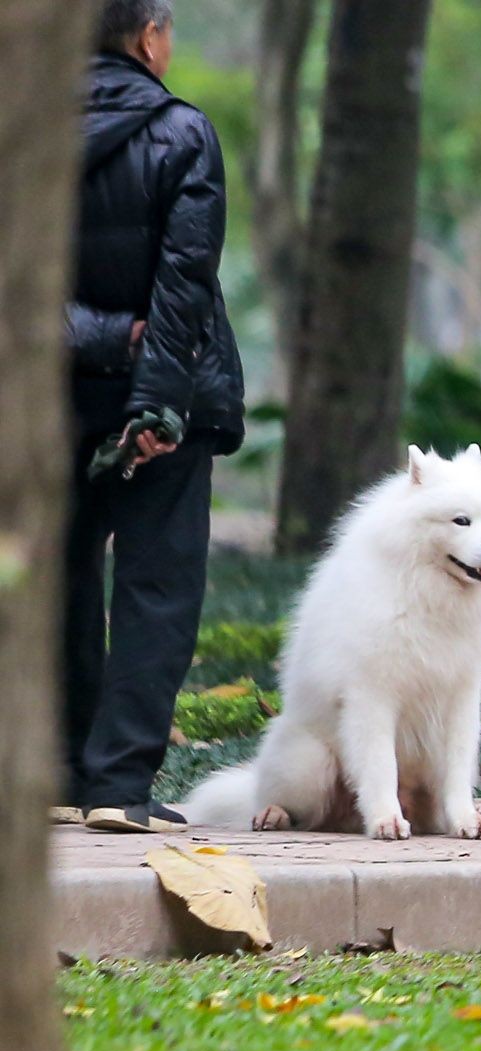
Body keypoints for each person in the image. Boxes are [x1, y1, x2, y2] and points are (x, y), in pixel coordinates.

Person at [64, 0, 244, 834]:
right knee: (157, 588)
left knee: (57, 577)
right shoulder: (183, 134)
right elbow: (183, 289)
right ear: (148, 38)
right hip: (160, 399)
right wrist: (156, 404)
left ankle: (64, 767)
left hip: (46, 393)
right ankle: (118, 784)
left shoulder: (22, 134)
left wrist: (94, 336)